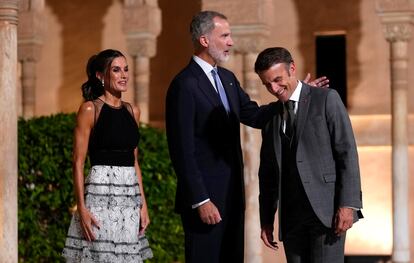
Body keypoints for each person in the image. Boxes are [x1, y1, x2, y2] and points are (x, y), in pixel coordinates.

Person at [165, 11, 328, 263]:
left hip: (232, 198)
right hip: (206, 202)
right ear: (204, 40)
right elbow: (181, 150)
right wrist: (201, 200)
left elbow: (254, 116)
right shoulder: (184, 85)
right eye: (225, 36)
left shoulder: (227, 79)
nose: (231, 42)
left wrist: (295, 97)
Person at [255, 47, 363, 263]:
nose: (274, 89)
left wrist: (348, 205)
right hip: (291, 218)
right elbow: (267, 173)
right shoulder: (271, 117)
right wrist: (267, 219)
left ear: (292, 68)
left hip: (327, 213)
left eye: (277, 80)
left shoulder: (326, 99)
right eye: (267, 84)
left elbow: (346, 152)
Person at [62, 49, 153, 262]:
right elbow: (77, 162)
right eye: (116, 70)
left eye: (126, 70)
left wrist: (143, 204)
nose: (124, 75)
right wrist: (82, 208)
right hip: (99, 196)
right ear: (100, 76)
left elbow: (134, 161)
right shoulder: (89, 110)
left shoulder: (133, 111)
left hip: (129, 198)